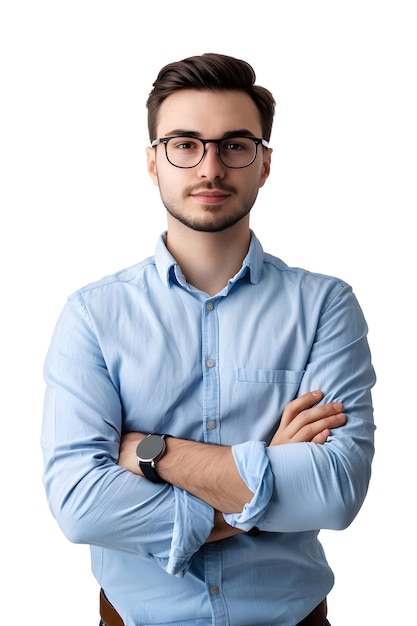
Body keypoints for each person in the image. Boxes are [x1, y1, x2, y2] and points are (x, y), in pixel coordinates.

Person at [41, 53, 376, 626]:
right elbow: (80, 507)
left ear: (264, 163)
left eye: (235, 145)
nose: (210, 167)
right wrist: (271, 469)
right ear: (154, 162)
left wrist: (154, 454)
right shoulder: (93, 315)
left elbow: (336, 492)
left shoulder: (326, 306)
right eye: (185, 144)